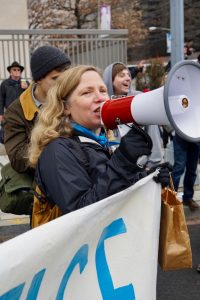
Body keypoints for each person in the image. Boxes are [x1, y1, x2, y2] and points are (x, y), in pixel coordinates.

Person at [28, 65, 170, 222]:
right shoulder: (57, 151)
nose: (100, 97)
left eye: (103, 91)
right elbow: (82, 213)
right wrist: (123, 162)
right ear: (66, 107)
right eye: (87, 92)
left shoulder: (102, 141)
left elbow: (114, 189)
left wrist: (146, 179)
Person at [4, 45, 71, 176]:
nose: (62, 85)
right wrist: (52, 137)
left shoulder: (70, 99)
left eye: (64, 78)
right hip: (41, 181)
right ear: (39, 79)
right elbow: (18, 160)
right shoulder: (16, 112)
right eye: (55, 79)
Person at [103, 62, 163, 168]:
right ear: (110, 80)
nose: (128, 78)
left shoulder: (139, 99)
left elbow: (152, 132)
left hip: (140, 167)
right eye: (122, 75)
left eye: (128, 75)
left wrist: (154, 164)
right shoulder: (102, 105)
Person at [171, 134, 199, 210]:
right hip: (181, 135)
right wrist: (172, 130)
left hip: (196, 136)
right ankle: (171, 199)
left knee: (192, 169)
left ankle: (188, 198)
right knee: (178, 168)